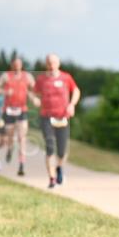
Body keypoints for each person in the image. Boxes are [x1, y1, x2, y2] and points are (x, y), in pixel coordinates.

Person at [34, 54, 80, 189]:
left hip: (62, 117)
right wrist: (34, 99)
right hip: (46, 116)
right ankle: (52, 178)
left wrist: (72, 105)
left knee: (62, 150)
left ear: (58, 63)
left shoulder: (66, 77)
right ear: (46, 64)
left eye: (54, 62)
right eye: (49, 62)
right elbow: (33, 92)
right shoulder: (41, 79)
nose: (51, 65)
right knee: (50, 148)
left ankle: (59, 167)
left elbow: (76, 91)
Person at [0, 57, 37, 176]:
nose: (17, 66)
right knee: (9, 137)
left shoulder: (27, 76)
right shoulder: (5, 76)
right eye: (15, 64)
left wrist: (34, 98)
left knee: (21, 138)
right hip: (8, 110)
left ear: (21, 65)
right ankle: (10, 148)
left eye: (19, 64)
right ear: (12, 65)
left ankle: (21, 164)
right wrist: (5, 92)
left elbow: (33, 89)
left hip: (22, 110)